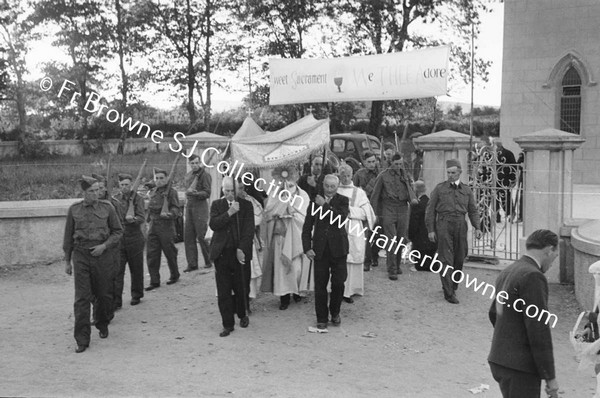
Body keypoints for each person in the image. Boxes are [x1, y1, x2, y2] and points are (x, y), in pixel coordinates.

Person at [488, 229, 560, 398]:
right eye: (555, 257)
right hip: (520, 368)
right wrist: (550, 378)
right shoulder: (534, 276)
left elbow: (493, 313)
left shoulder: (509, 270)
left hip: (500, 360)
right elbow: (539, 331)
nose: (552, 264)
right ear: (548, 250)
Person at [63, 175, 123, 353]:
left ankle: (102, 322)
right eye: (91, 191)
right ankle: (82, 339)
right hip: (81, 255)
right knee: (81, 299)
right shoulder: (74, 210)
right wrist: (67, 261)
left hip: (101, 255)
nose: (96, 194)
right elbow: (68, 237)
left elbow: (118, 232)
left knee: (104, 295)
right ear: (83, 193)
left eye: (98, 190)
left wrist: (104, 246)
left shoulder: (108, 207)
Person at [425, 159, 482, 304]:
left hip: (461, 224)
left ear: (460, 172)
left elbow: (473, 211)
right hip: (444, 224)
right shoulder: (439, 189)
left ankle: (453, 285)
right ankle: (448, 292)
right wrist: (431, 230)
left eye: (453, 173)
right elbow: (430, 211)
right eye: (448, 173)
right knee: (445, 258)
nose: (451, 175)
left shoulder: (466, 190)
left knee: (460, 256)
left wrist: (478, 227)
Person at [302, 174, 349, 330]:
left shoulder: (343, 201)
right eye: (327, 186)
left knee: (338, 283)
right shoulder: (315, 202)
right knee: (320, 285)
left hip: (339, 249)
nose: (329, 190)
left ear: (337, 187)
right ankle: (321, 317)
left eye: (332, 187)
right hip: (320, 250)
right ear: (323, 185)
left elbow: (340, 219)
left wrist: (325, 206)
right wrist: (307, 247)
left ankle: (335, 312)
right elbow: (307, 227)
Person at [261, 166, 312, 310]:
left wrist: (293, 214)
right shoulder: (275, 194)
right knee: (282, 268)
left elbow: (305, 217)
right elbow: (269, 213)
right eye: (284, 184)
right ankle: (283, 296)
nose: (287, 187)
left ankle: (297, 292)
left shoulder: (303, 196)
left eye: (290, 184)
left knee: (297, 267)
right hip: (281, 235)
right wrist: (281, 206)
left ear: (295, 180)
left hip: (296, 236)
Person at [209, 176, 254, 337]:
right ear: (222, 190)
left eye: (232, 191)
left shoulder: (247, 206)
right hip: (221, 253)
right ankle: (227, 324)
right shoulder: (217, 205)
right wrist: (229, 212)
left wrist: (242, 248)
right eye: (226, 191)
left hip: (239, 253)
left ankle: (242, 314)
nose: (229, 194)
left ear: (237, 190)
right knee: (224, 290)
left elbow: (249, 230)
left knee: (241, 287)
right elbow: (213, 224)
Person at [370, 153, 417, 280]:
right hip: (388, 207)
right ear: (391, 163)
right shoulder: (383, 176)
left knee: (401, 239)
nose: (398, 166)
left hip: (402, 208)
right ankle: (392, 269)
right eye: (396, 164)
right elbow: (375, 195)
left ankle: (396, 264)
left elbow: (411, 192)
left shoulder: (405, 175)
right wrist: (373, 213)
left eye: (400, 164)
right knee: (391, 240)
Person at [337, 164, 375, 302]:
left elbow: (367, 213)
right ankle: (336, 290)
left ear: (352, 175)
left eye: (348, 175)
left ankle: (351, 290)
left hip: (353, 228)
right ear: (339, 175)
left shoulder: (359, 192)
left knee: (352, 258)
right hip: (338, 228)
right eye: (343, 175)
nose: (346, 178)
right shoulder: (334, 189)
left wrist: (350, 212)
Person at [145, 168, 181, 291]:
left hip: (166, 225)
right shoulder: (153, 191)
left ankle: (174, 274)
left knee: (169, 252)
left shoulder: (171, 192)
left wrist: (170, 214)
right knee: (152, 254)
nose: (159, 181)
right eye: (157, 178)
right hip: (153, 225)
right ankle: (154, 280)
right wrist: (147, 220)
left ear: (166, 179)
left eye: (161, 178)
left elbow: (176, 208)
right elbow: (150, 208)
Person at [113, 173, 146, 306]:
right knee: (118, 271)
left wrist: (133, 220)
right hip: (120, 239)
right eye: (122, 185)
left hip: (134, 237)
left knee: (136, 269)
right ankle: (116, 300)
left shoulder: (138, 199)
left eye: (127, 184)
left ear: (131, 185)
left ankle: (136, 295)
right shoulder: (115, 199)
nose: (124, 187)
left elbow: (142, 217)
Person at [183, 154, 212, 272]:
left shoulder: (205, 175)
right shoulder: (188, 175)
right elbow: (186, 190)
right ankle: (192, 263)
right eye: (192, 163)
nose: (194, 165)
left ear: (200, 163)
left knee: (202, 235)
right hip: (190, 206)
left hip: (200, 206)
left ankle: (209, 260)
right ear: (189, 164)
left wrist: (196, 193)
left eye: (196, 163)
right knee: (188, 235)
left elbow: (207, 193)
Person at [352, 151, 380, 271]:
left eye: (373, 161)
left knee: (378, 234)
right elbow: (354, 189)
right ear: (364, 162)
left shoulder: (380, 173)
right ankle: (367, 261)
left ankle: (375, 256)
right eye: (369, 162)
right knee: (367, 234)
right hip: (365, 206)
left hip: (378, 206)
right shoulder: (359, 174)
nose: (372, 164)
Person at [408, 180, 437, 271]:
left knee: (420, 252)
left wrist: (410, 234)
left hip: (420, 234)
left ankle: (420, 266)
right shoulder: (429, 202)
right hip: (430, 232)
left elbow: (414, 222)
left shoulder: (417, 204)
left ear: (415, 190)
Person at [495, 139, 517, 223]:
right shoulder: (491, 155)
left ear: (499, 146)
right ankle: (497, 216)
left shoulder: (508, 153)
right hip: (494, 179)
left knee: (505, 197)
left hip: (505, 179)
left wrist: (513, 180)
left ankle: (511, 213)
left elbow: (514, 167)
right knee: (494, 197)